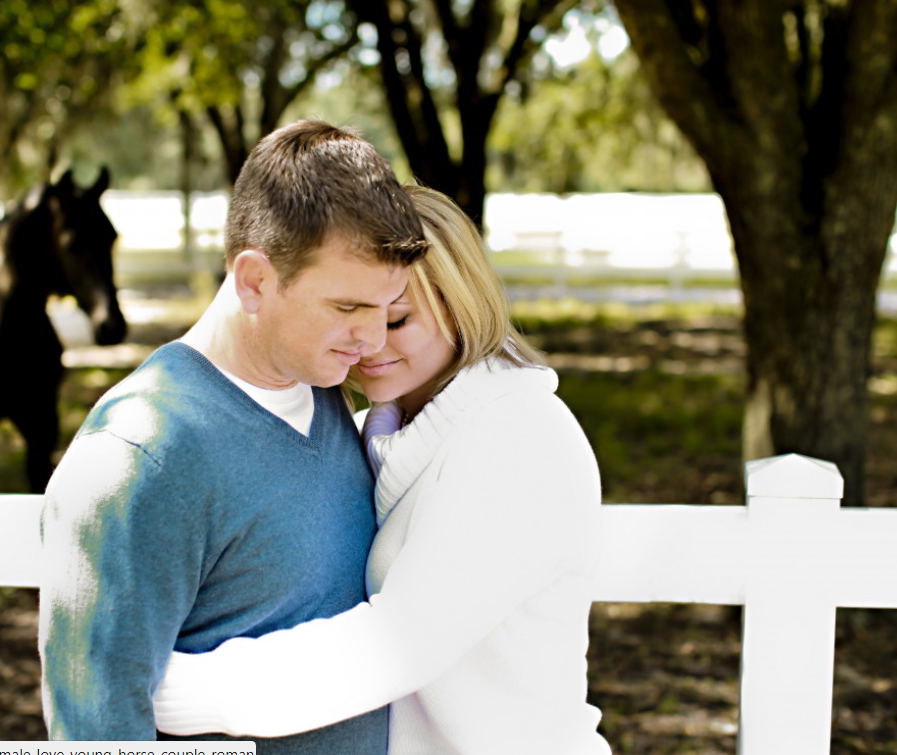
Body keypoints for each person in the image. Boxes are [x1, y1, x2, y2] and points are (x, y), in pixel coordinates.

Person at [152, 185, 612, 754]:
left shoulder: (518, 436)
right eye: (352, 312)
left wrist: (159, 684)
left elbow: (395, 647)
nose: (369, 342)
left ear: (461, 307)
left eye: (396, 320)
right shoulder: (378, 431)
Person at [37, 120, 428, 751]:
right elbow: (98, 723)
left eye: (388, 308)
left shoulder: (325, 387)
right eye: (349, 308)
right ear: (254, 281)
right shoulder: (139, 457)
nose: (374, 340)